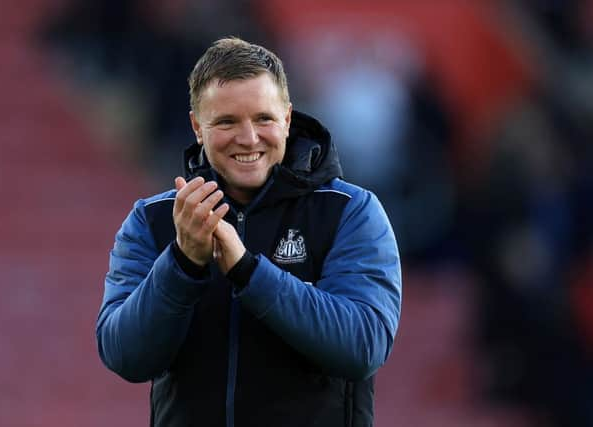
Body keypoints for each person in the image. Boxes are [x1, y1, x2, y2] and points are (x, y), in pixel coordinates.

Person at [96, 37, 402, 427]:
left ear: (288, 119)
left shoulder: (350, 212)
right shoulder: (153, 220)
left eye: (263, 119)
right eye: (226, 121)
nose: (249, 138)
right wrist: (183, 264)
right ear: (197, 127)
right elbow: (125, 356)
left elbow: (362, 347)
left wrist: (248, 271)